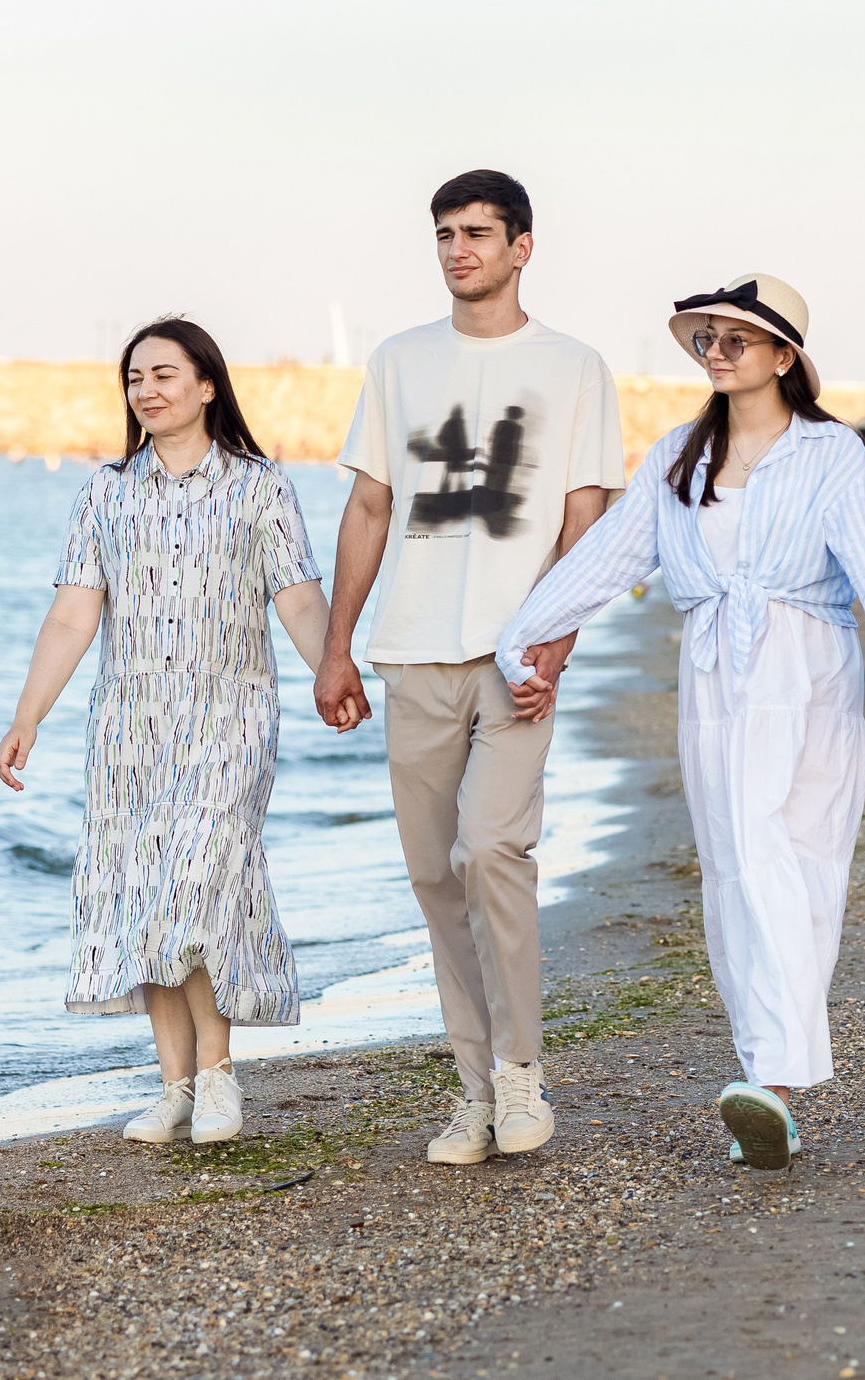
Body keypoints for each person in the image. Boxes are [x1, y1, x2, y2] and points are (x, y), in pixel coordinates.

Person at [495, 274, 865, 1171]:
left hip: (806, 674)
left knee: (801, 861)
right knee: (735, 868)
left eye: (738, 339)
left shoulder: (832, 453)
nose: (719, 352)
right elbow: (607, 559)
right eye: (708, 339)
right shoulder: (677, 457)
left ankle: (774, 1081)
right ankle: (769, 1083)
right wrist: (524, 636)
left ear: (784, 357)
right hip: (712, 678)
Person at [312, 170, 625, 1166]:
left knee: (491, 850)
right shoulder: (399, 360)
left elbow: (584, 518)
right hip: (412, 651)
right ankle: (475, 1090)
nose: (459, 250)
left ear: (521, 246)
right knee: (431, 874)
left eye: (479, 233)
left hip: (516, 652)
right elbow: (370, 507)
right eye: (446, 233)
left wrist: (556, 643)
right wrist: (336, 648)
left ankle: (521, 1072)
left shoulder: (574, 367)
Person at [0, 318, 361, 1148]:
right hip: (130, 731)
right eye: (135, 379)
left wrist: (334, 671)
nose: (147, 390)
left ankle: (219, 1077)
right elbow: (72, 615)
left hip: (232, 720)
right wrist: (27, 717)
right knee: (146, 899)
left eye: (164, 374)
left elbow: (298, 596)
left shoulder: (260, 488)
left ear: (206, 386)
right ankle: (174, 1088)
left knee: (197, 888)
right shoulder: (106, 493)